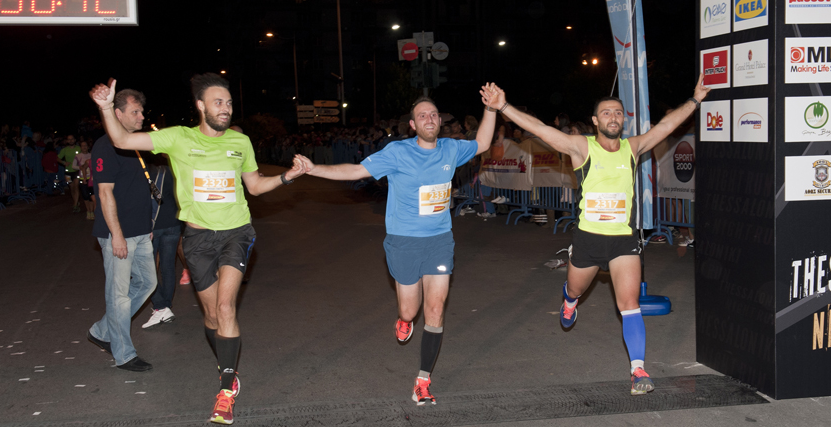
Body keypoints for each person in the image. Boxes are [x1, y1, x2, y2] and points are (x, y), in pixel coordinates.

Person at [89, 73, 309, 425]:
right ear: (201, 106)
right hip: (197, 239)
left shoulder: (241, 142)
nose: (226, 108)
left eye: (229, 103)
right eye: (218, 102)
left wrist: (288, 176)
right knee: (212, 317)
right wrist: (104, 108)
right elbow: (121, 138)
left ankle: (225, 390)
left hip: (236, 233)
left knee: (225, 306)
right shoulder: (178, 137)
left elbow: (254, 186)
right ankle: (226, 363)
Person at [480, 76, 710, 395]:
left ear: (623, 119)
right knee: (576, 289)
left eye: (617, 113)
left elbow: (667, 126)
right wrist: (503, 106)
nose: (613, 117)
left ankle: (638, 370)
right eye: (606, 113)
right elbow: (541, 130)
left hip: (623, 241)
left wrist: (695, 100)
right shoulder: (581, 147)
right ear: (595, 120)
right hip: (588, 240)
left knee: (629, 304)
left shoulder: (632, 147)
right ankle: (570, 300)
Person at [295, 93, 496, 406]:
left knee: (435, 308)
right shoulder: (398, 152)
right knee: (409, 310)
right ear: (413, 125)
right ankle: (404, 320)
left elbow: (482, 142)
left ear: (440, 121)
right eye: (422, 115)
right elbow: (356, 171)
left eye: (434, 114)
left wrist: (491, 107)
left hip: (439, 239)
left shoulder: (451, 148)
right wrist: (313, 169)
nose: (429, 119)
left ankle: (423, 380)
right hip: (404, 241)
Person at [87, 89, 157, 373]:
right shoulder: (106, 146)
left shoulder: (134, 144)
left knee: (147, 283)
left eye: (142, 111)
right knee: (118, 296)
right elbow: (104, 193)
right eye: (135, 112)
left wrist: (147, 224)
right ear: (118, 114)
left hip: (141, 231)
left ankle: (102, 330)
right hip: (119, 234)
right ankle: (123, 354)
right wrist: (116, 234)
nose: (141, 117)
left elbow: (137, 187)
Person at [142, 156, 181, 329]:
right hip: (173, 223)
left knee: (146, 269)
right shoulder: (175, 171)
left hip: (153, 226)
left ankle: (160, 305)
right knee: (168, 268)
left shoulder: (146, 172)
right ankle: (166, 306)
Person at [73, 139, 96, 220]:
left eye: (85, 145)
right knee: (85, 195)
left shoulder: (91, 155)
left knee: (91, 196)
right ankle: (88, 211)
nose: (84, 147)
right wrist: (81, 167)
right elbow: (73, 166)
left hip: (92, 178)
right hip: (83, 177)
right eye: (82, 146)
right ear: (80, 147)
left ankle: (92, 211)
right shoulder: (78, 156)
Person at [58, 135, 82, 212]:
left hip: (76, 170)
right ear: (67, 141)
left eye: (72, 139)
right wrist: (64, 162)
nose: (71, 141)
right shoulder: (64, 150)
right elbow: (57, 158)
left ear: (74, 140)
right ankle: (76, 201)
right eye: (69, 139)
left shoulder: (79, 148)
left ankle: (75, 205)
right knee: (71, 187)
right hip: (68, 172)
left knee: (76, 186)